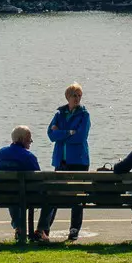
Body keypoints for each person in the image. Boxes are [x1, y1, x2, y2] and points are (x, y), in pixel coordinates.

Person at [40, 84, 91, 242]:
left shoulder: (84, 115)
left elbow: (80, 137)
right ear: (67, 97)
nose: (77, 98)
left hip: (78, 160)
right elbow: (51, 135)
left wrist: (61, 133)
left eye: (79, 95)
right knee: (54, 194)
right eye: (74, 95)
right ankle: (45, 229)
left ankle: (74, 229)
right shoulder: (59, 114)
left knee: (77, 196)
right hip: (61, 160)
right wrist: (68, 132)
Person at [0, 125, 43, 244]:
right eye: (29, 139)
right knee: (49, 198)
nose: (30, 142)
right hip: (27, 195)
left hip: (3, 194)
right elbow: (38, 179)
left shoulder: (1, 153)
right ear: (22, 140)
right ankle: (41, 229)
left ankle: (19, 228)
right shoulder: (29, 156)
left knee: (12, 191)